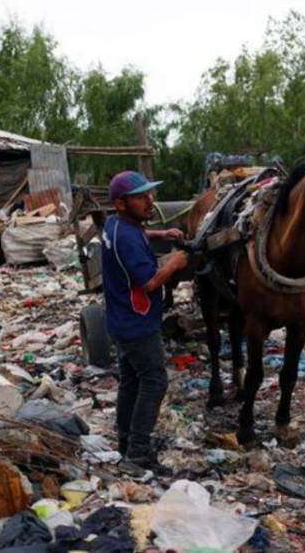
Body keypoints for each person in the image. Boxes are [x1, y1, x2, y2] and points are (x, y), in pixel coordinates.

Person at [101, 170, 187, 474]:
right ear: (122, 203)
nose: (149, 200)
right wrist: (174, 263)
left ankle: (125, 442)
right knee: (154, 381)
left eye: (150, 194)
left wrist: (161, 234)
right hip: (137, 323)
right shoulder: (127, 236)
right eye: (141, 197)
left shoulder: (115, 225)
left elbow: (135, 235)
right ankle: (138, 453)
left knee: (131, 381)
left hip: (119, 320)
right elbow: (150, 283)